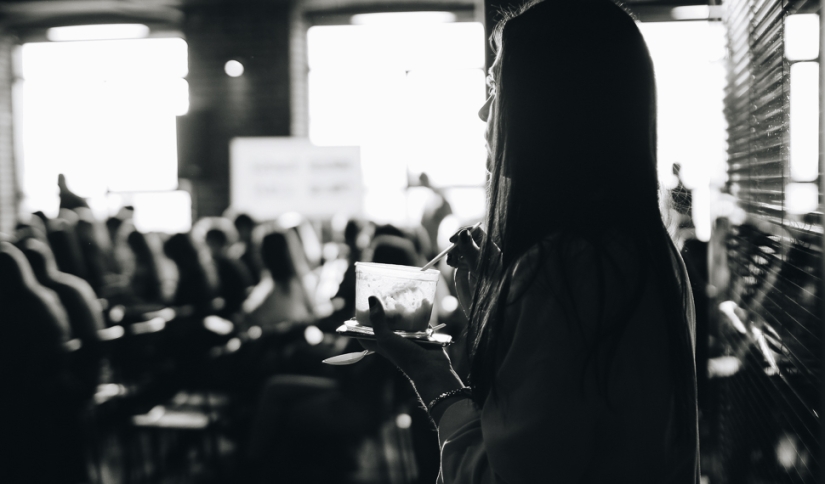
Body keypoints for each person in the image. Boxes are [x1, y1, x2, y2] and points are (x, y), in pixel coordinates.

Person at [361, 1, 700, 482]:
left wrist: (432, 375)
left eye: (495, 87)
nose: (482, 111)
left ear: (550, 107)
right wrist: (495, 299)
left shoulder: (566, 270)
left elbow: (503, 475)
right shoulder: (645, 250)